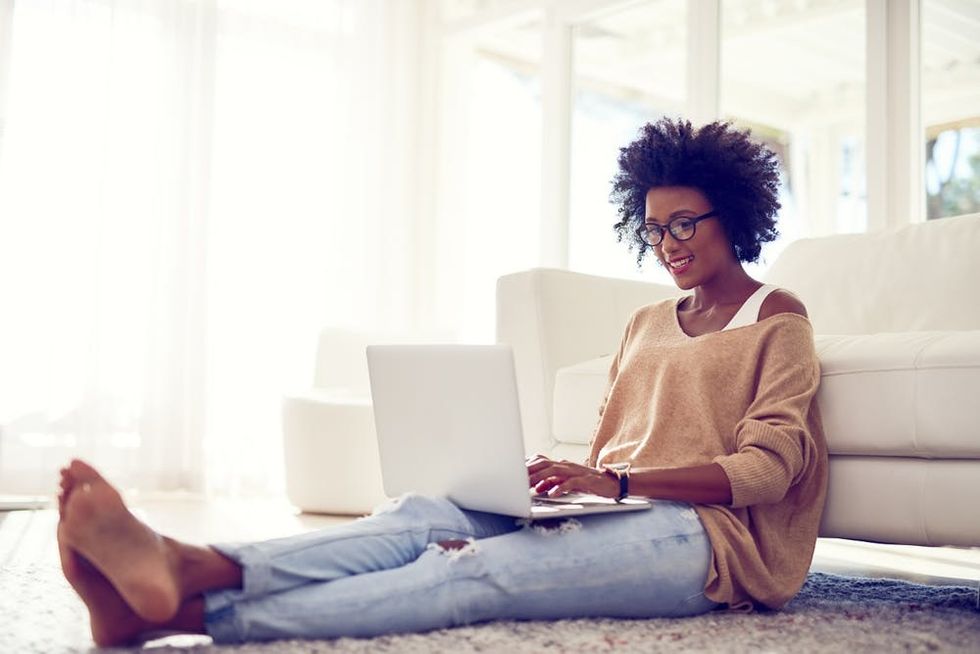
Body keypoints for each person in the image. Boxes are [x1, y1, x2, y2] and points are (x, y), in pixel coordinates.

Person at [56, 118, 828, 646]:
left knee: (477, 572)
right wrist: (560, 485)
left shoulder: (777, 319)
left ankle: (180, 616)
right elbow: (610, 442)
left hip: (707, 541)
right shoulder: (647, 321)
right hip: (615, 506)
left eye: (684, 224)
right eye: (655, 228)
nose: (668, 244)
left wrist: (617, 483)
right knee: (425, 516)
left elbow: (767, 472)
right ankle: (195, 562)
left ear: (732, 214)